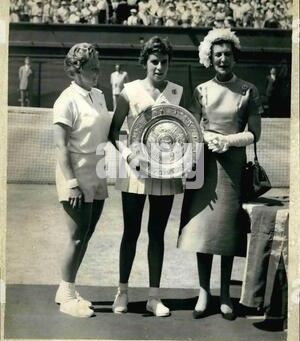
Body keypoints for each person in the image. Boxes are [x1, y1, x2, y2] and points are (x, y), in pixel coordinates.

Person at [177, 29, 262, 320]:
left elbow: (255, 134)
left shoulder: (249, 90)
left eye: (227, 54)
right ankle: (204, 292)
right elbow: (190, 126)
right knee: (203, 230)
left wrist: (228, 140)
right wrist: (207, 137)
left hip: (233, 166)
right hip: (203, 163)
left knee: (227, 230)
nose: (223, 59)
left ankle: (225, 292)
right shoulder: (201, 90)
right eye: (217, 55)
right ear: (210, 59)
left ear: (234, 57)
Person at [109, 36, 183, 317]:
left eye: (164, 62)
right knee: (131, 232)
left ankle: (154, 297)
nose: (160, 67)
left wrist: (181, 162)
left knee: (157, 234)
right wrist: (130, 156)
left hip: (166, 173)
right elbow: (113, 133)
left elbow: (182, 133)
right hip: (134, 173)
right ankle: (122, 292)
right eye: (155, 61)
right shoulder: (129, 91)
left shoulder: (177, 92)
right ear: (145, 62)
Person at [53, 43, 111, 317]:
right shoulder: (66, 100)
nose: (96, 72)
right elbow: (61, 147)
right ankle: (66, 295)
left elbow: (105, 133)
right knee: (76, 237)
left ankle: (68, 289)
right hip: (75, 174)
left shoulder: (98, 95)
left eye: (98, 67)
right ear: (76, 70)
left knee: (86, 234)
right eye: (91, 68)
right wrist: (72, 183)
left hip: (98, 171)